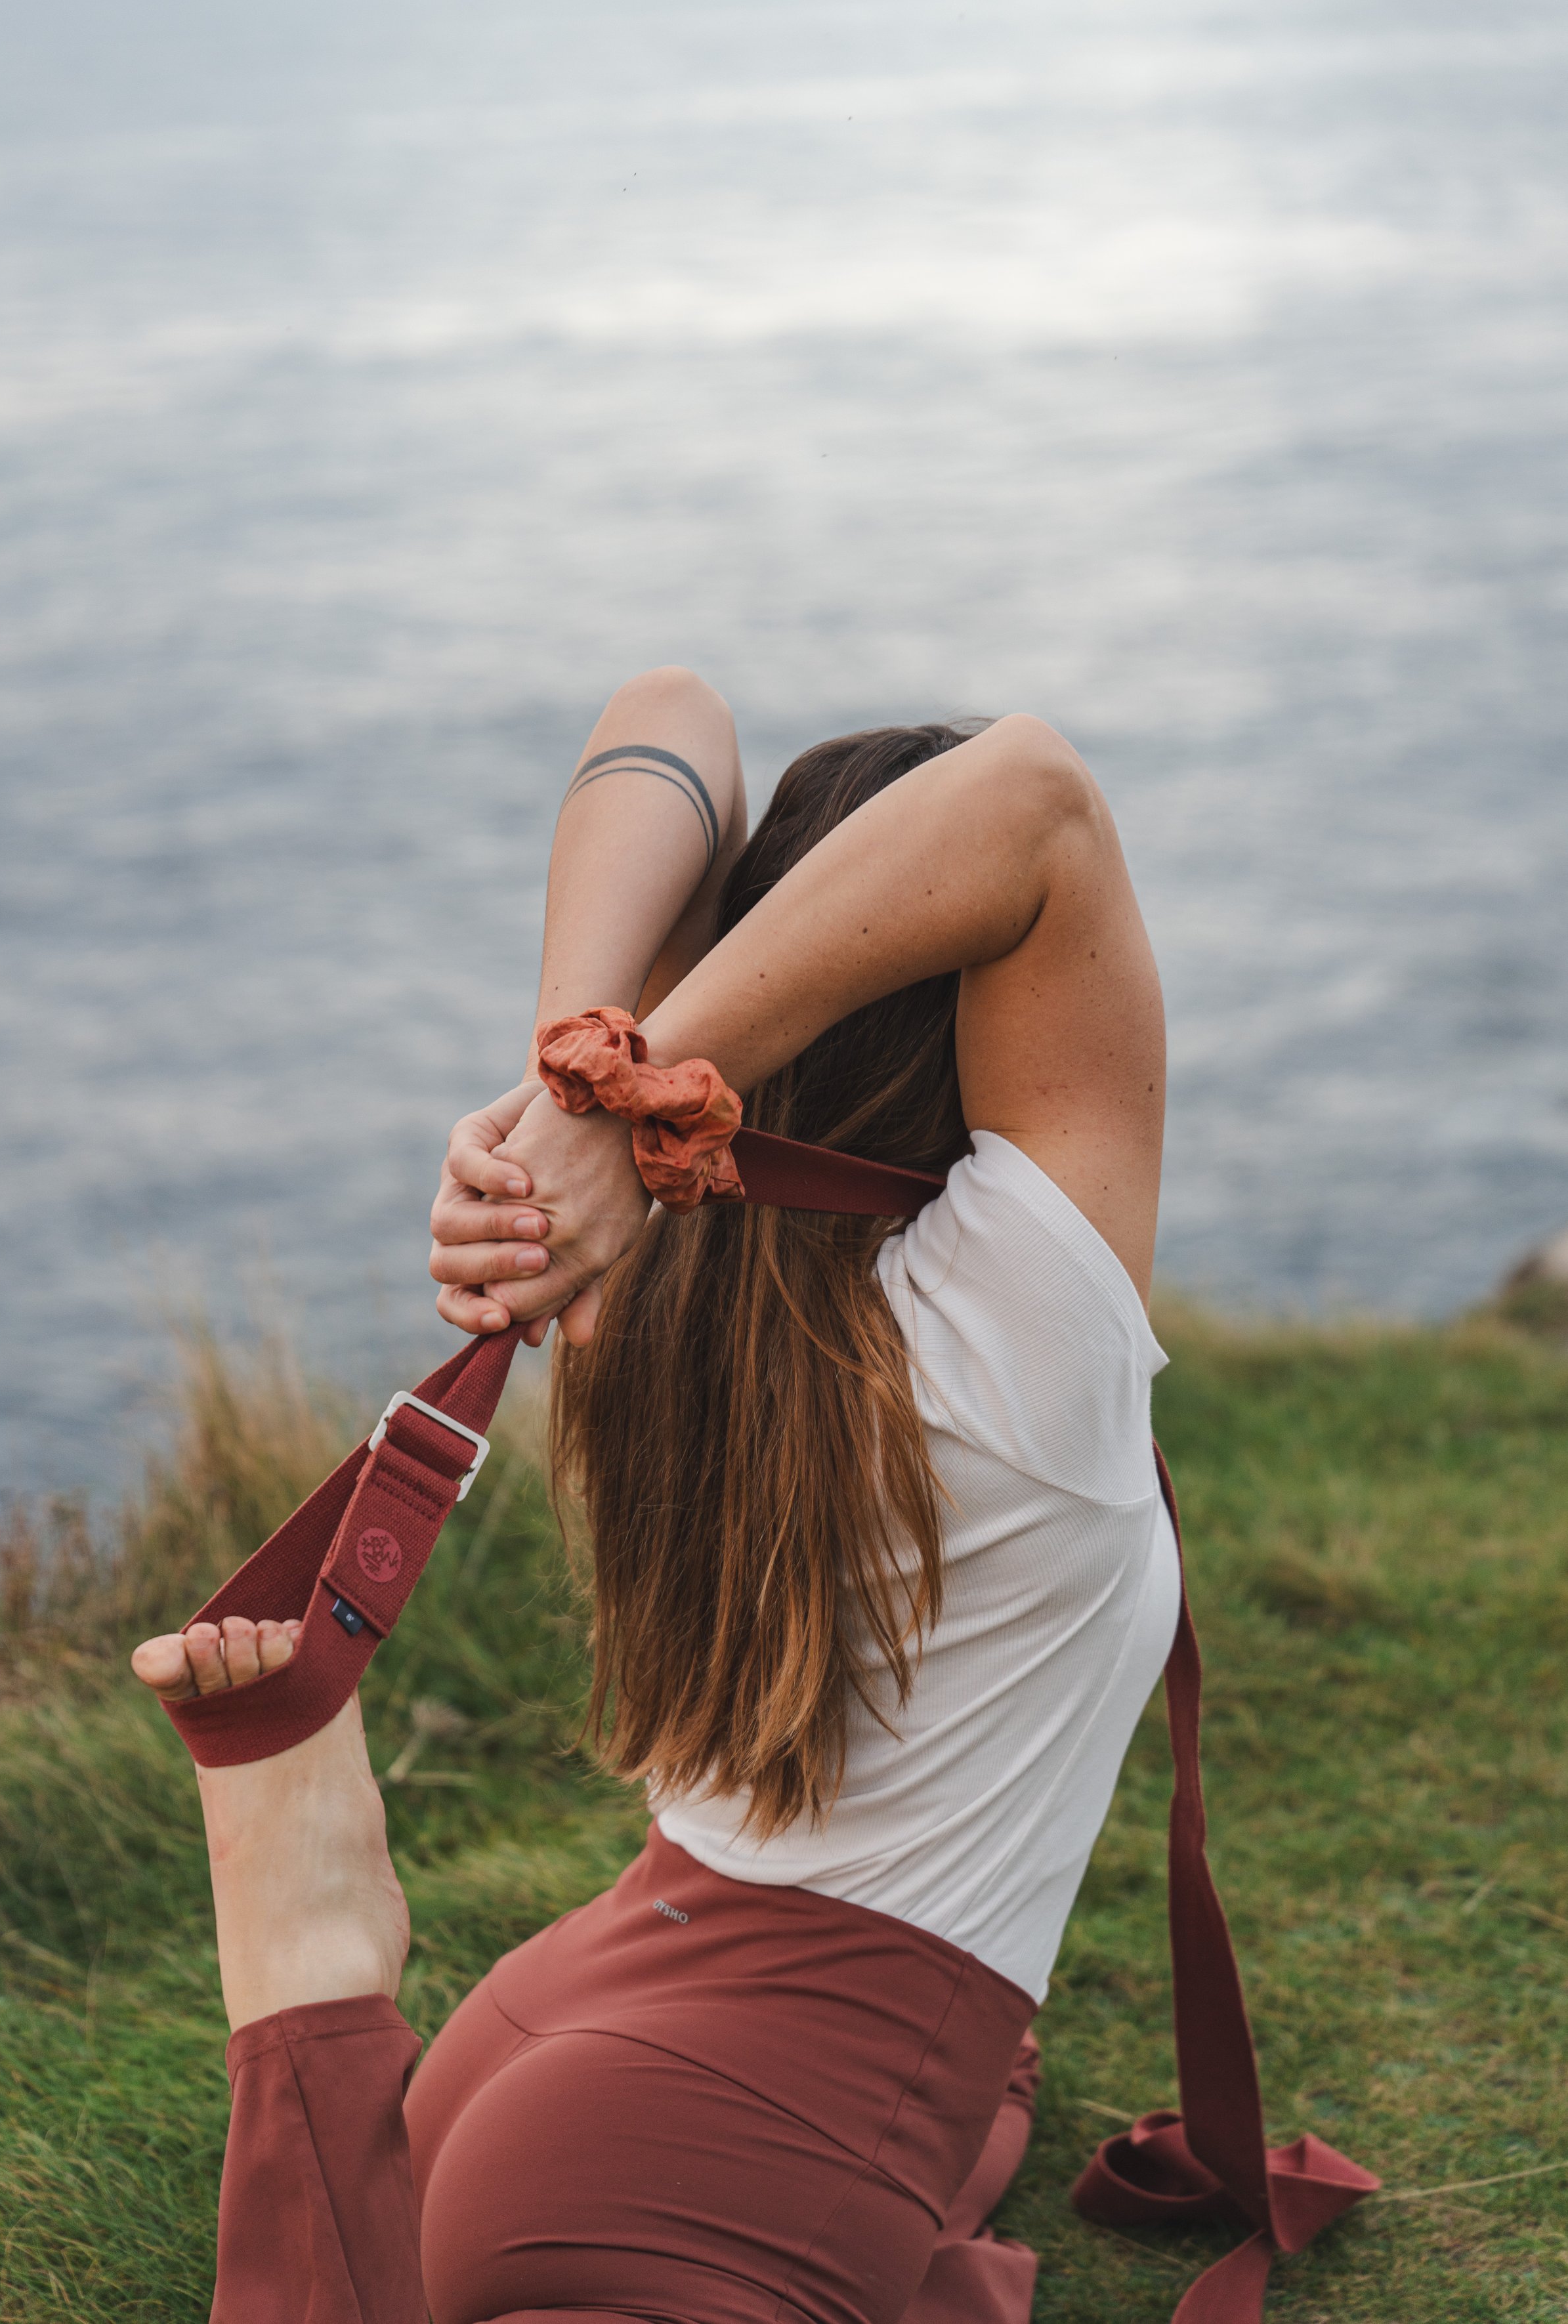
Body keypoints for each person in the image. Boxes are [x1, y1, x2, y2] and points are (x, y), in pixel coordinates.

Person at [132, 665, 1174, 2324]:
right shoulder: (1020, 1337)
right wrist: (606, 1113)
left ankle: (332, 2011)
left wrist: (583, 1090)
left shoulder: (649, 1297)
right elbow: (1033, 802)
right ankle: (306, 1963)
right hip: (710, 2148)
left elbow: (670, 713)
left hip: (569, 2040)